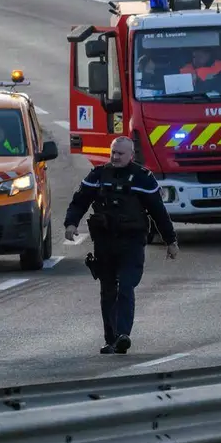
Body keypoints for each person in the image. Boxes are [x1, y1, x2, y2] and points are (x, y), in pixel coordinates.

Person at [63, 136, 179, 355]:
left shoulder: (143, 179)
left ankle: (123, 334)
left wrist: (170, 241)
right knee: (108, 291)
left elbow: (158, 212)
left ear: (131, 155)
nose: (115, 157)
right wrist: (71, 223)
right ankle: (111, 340)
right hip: (105, 242)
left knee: (126, 286)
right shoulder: (98, 175)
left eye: (120, 154)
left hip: (132, 242)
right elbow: (80, 201)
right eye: (113, 152)